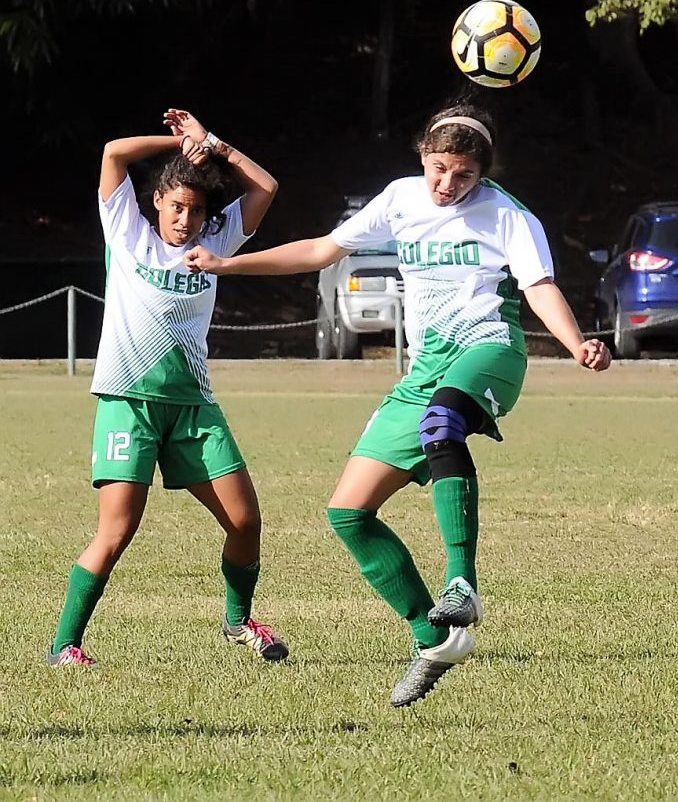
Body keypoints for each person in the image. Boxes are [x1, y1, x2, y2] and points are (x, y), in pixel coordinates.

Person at [183, 102, 611, 706]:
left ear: (484, 173)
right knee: (348, 513)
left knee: (444, 422)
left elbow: (539, 287)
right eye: (439, 168)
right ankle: (433, 638)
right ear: (422, 157)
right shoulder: (400, 199)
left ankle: (462, 583)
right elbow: (322, 250)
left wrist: (575, 344)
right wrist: (228, 264)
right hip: (426, 368)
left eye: (464, 174)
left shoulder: (509, 216)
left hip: (488, 349)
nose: (448, 183)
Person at [48, 108, 289, 667]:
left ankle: (238, 621)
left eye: (196, 209)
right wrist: (179, 142)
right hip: (128, 402)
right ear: (156, 200)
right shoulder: (127, 231)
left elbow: (266, 187)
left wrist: (216, 145)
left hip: (193, 408)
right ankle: (65, 646)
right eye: (177, 206)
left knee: (245, 521)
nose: (186, 219)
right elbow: (113, 151)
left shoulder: (216, 240)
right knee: (117, 530)